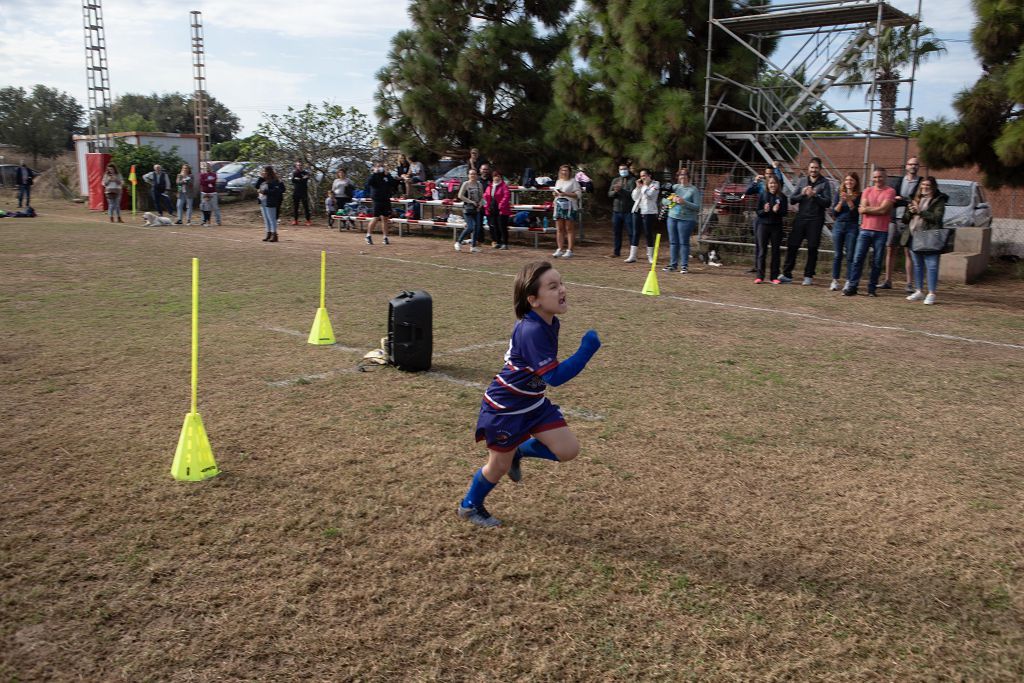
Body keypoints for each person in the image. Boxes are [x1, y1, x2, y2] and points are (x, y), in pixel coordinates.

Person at [457, 260, 602, 527]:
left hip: (532, 403)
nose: (562, 290)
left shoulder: (549, 322)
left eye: (561, 283)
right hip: (505, 409)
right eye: (553, 286)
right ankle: (469, 506)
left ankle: (519, 453)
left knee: (568, 449)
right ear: (533, 299)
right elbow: (554, 377)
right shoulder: (532, 329)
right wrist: (586, 350)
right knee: (498, 467)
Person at [846, 167, 896, 296]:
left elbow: (884, 210)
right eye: (875, 177)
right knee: (858, 259)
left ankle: (871, 289)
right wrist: (875, 209)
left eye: (880, 177)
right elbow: (861, 210)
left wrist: (868, 209)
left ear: (885, 177)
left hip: (881, 231)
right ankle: (852, 286)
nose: (877, 179)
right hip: (865, 230)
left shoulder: (890, 191)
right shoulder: (867, 190)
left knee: (877, 262)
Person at [781, 157, 832, 285]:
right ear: (808, 169)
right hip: (801, 218)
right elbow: (792, 199)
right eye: (811, 168)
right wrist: (803, 194)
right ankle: (787, 274)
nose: (813, 170)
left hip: (816, 220)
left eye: (816, 168)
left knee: (812, 248)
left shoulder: (825, 183)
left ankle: (808, 275)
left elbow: (828, 202)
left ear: (820, 169)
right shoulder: (802, 181)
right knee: (792, 245)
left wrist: (815, 195)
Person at [901, 176, 948, 305]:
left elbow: (937, 218)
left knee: (931, 266)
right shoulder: (915, 199)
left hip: (930, 237)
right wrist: (910, 212)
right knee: (917, 265)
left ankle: (932, 293)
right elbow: (905, 219)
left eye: (928, 185)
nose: (925, 187)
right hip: (913, 236)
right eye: (923, 185)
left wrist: (920, 211)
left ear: (933, 187)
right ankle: (919, 290)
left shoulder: (939, 200)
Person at [887, 157, 922, 292]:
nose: (913, 166)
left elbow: (915, 200)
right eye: (910, 164)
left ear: (918, 167)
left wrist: (903, 200)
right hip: (894, 219)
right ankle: (888, 280)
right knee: (890, 249)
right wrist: (904, 201)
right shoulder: (899, 181)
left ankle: (909, 284)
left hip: (909, 220)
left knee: (908, 251)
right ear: (906, 166)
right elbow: (893, 199)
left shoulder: (920, 182)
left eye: (915, 164)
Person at [744, 162, 786, 272]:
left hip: (774, 220)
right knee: (759, 244)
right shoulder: (761, 184)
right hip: (761, 217)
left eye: (771, 173)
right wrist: (755, 181)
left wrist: (777, 168)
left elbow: (780, 180)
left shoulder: (775, 184)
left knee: (773, 248)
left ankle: (773, 271)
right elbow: (747, 191)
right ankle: (758, 267)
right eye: (767, 173)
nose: (769, 175)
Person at [664, 167, 701, 273]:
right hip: (672, 217)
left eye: (684, 175)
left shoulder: (693, 190)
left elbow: (697, 207)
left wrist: (684, 202)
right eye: (681, 175)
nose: (682, 177)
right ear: (678, 177)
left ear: (688, 177)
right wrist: (672, 200)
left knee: (683, 242)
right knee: (673, 242)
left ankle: (684, 265)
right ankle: (673, 264)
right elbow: (663, 200)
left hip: (686, 219)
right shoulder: (674, 187)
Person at [753, 174, 788, 283]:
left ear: (778, 185)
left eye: (775, 183)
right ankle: (760, 276)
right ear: (767, 185)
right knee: (762, 251)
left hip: (776, 227)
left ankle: (774, 276)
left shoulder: (782, 197)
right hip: (763, 226)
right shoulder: (763, 196)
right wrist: (765, 210)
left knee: (775, 252)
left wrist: (778, 211)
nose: (773, 185)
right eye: (771, 183)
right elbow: (758, 211)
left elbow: (785, 213)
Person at [830, 172, 861, 291]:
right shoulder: (839, 194)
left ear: (856, 182)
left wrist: (849, 200)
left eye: (852, 180)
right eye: (847, 180)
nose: (849, 182)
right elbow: (834, 213)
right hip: (838, 225)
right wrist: (841, 202)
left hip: (851, 226)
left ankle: (849, 281)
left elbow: (856, 213)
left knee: (850, 255)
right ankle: (835, 280)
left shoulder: (859, 195)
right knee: (837, 254)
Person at [626, 168, 659, 263]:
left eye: (644, 175)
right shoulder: (641, 186)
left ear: (649, 176)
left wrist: (644, 186)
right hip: (637, 210)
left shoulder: (655, 184)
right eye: (641, 176)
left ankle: (650, 256)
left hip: (648, 212)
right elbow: (634, 197)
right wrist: (637, 188)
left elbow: (650, 195)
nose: (642, 178)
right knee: (635, 233)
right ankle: (632, 255)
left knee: (648, 233)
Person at [551, 164, 582, 258]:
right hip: (559, 206)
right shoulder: (558, 181)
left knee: (569, 228)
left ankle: (570, 250)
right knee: (559, 229)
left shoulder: (573, 182)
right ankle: (559, 249)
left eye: (566, 170)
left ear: (569, 172)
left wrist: (566, 194)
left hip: (569, 206)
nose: (564, 172)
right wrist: (555, 194)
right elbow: (556, 193)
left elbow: (578, 194)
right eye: (562, 170)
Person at [365, 162, 399, 245]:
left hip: (386, 199)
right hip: (377, 199)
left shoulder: (386, 176)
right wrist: (374, 173)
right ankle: (368, 235)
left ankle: (385, 237)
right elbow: (368, 183)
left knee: (385, 218)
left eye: (382, 166)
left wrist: (388, 174)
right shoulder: (374, 176)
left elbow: (393, 183)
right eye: (379, 166)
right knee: (376, 217)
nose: (381, 168)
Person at [607, 163, 636, 258]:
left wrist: (621, 190)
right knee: (616, 232)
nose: (623, 171)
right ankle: (616, 252)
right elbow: (609, 194)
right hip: (617, 211)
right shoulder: (615, 180)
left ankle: (633, 253)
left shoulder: (632, 180)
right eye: (621, 169)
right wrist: (615, 191)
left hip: (628, 211)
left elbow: (632, 194)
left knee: (631, 232)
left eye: (624, 169)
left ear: (628, 169)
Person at [454, 168, 484, 252]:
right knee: (470, 227)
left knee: (476, 228)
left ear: (477, 175)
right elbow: (460, 195)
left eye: (474, 174)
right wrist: (470, 202)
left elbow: (482, 196)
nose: (473, 175)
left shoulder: (479, 184)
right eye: (471, 174)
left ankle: (473, 246)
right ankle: (458, 242)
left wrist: (480, 204)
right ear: (468, 175)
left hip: (477, 209)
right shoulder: (465, 184)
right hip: (468, 209)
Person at [483, 169, 512, 250]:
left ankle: (505, 243)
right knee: (495, 226)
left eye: (498, 176)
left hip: (502, 209)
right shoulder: (490, 186)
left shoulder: (504, 186)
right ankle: (498, 242)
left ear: (501, 177)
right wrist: (486, 205)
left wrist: (501, 205)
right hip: (492, 208)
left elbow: (506, 196)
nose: (496, 178)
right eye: (495, 176)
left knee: (502, 227)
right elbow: (485, 196)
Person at [256, 165, 285, 243]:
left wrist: (264, 192)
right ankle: (268, 233)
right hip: (262, 201)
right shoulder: (262, 179)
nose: (263, 172)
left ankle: (274, 235)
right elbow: (256, 186)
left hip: (270, 201)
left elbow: (275, 191)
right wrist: (260, 177)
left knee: (272, 219)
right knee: (266, 219)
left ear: (268, 172)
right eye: (262, 171)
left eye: (264, 171)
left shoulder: (274, 180)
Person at [197, 162, 220, 227]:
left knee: (215, 207)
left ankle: (218, 221)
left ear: (210, 167)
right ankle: (203, 220)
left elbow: (214, 181)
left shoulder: (214, 174)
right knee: (204, 207)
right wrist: (208, 181)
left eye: (208, 166)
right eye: (205, 167)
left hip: (213, 193)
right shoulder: (202, 175)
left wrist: (206, 181)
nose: (207, 168)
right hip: (204, 193)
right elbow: (202, 182)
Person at [290, 161, 312, 226]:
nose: (299, 166)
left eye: (300, 165)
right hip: (296, 192)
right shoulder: (294, 173)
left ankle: (308, 220)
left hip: (304, 192)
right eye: (298, 165)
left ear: (302, 166)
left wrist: (299, 179)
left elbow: (305, 180)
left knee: (306, 206)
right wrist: (301, 179)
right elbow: (293, 180)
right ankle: (295, 220)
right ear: (296, 166)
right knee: (295, 207)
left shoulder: (306, 173)